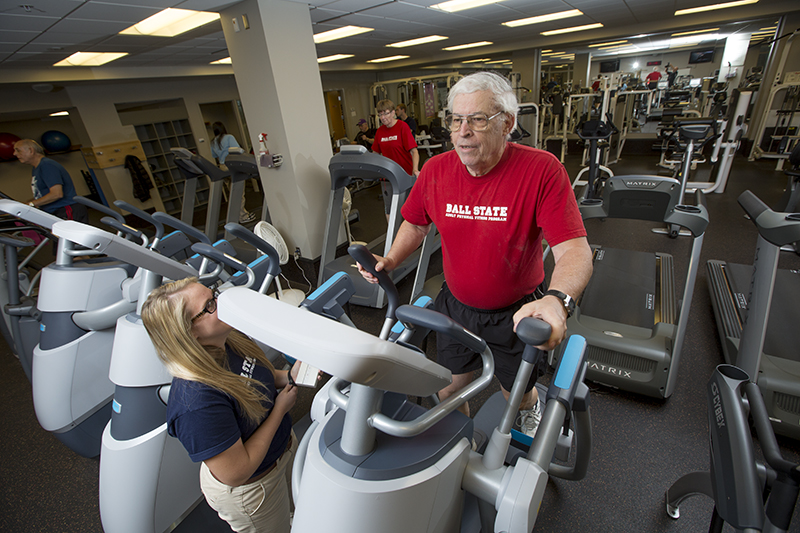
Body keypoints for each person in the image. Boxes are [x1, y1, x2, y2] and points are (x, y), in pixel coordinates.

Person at [358, 72, 593, 438]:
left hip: (517, 312)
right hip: (456, 307)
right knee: (448, 388)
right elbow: (416, 224)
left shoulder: (541, 169)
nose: (463, 131)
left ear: (507, 124)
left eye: (477, 120)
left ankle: (530, 408)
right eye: (456, 119)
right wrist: (390, 260)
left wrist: (557, 301)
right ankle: (458, 441)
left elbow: (575, 249)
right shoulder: (436, 170)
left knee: (515, 392)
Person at [141, 277, 316, 533]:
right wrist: (279, 410)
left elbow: (258, 376)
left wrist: (289, 376)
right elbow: (237, 472)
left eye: (214, 294)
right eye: (210, 305)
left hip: (280, 452)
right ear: (190, 332)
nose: (221, 303)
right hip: (253, 488)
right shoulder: (196, 403)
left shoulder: (229, 339)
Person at [13, 139, 88, 223]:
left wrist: (31, 204)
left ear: (31, 150)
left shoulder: (47, 165)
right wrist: (27, 203)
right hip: (54, 211)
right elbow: (43, 194)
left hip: (66, 209)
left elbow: (57, 194)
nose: (14, 153)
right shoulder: (37, 167)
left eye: (18, 150)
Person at [372, 99, 420, 218]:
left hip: (405, 174)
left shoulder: (402, 127)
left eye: (386, 113)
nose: (383, 117)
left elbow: (414, 151)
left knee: (409, 209)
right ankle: (393, 236)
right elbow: (375, 153)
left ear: (393, 112)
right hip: (388, 177)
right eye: (380, 114)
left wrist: (415, 170)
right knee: (389, 210)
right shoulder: (380, 131)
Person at [210, 122, 255, 224]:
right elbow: (239, 150)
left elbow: (214, 155)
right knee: (239, 193)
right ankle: (243, 217)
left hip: (222, 166)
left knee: (232, 194)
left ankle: (237, 217)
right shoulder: (229, 137)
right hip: (232, 166)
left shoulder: (213, 142)